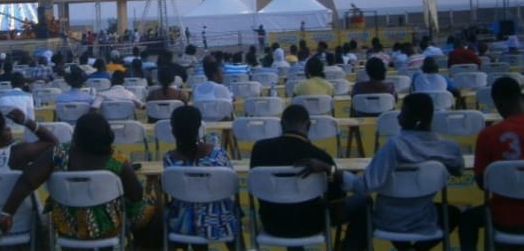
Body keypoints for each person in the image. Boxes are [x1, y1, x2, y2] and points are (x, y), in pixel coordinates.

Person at [304, 93, 462, 250]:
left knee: (363, 209)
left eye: (403, 114)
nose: (398, 118)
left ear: (416, 121)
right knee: (453, 213)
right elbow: (458, 171)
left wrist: (329, 169)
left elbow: (364, 187)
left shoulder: (395, 146)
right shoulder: (449, 148)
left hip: (387, 219)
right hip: (425, 218)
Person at [0, 112, 156, 242]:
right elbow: (136, 195)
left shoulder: (58, 154)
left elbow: (28, 180)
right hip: (107, 228)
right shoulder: (118, 160)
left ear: (77, 134)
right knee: (150, 207)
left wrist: (7, 213)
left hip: (66, 226)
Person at [250, 105, 345, 245]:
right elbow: (335, 196)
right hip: (310, 224)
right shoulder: (320, 157)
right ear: (308, 125)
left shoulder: (259, 149)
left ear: (281, 124)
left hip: (272, 224)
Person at [459, 76, 524, 249]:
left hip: (502, 217)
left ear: (497, 103)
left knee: (467, 219)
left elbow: (482, 182)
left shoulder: (488, 135)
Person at [164, 105, 239, 247]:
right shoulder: (217, 154)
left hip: (183, 224)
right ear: (199, 126)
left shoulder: (169, 159)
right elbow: (229, 187)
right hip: (221, 221)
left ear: (173, 129)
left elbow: (174, 194)